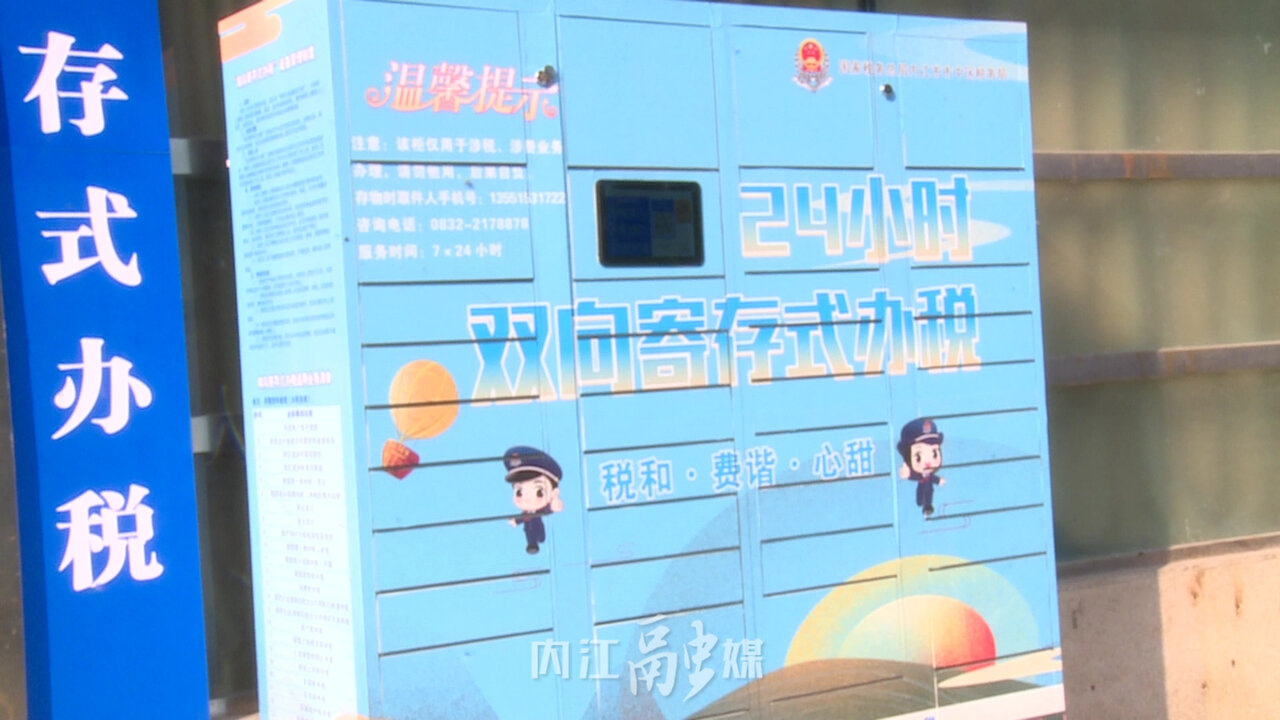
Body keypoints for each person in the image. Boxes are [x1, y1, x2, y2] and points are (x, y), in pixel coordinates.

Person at [503, 445, 564, 554]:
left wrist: (554, 505)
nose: (527, 499)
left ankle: (538, 540)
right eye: (519, 492)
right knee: (530, 535)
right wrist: (516, 521)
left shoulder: (540, 510)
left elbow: (547, 510)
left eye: (539, 492)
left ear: (554, 492)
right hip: (528, 527)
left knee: (541, 537)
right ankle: (532, 545)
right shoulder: (526, 513)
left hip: (538, 525)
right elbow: (522, 517)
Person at [897, 418, 945, 517]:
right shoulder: (918, 474)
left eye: (934, 454)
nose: (928, 462)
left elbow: (931, 477)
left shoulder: (928, 473)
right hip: (922, 484)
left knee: (929, 494)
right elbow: (915, 476)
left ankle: (927, 506)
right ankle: (920, 502)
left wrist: (938, 480)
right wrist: (907, 475)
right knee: (920, 494)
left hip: (929, 486)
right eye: (918, 457)